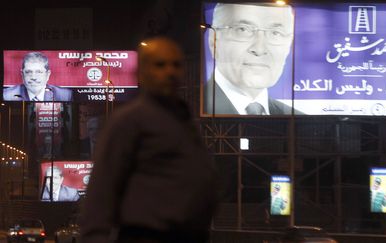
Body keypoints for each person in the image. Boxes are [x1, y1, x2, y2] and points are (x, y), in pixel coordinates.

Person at [81, 37, 218, 243]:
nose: (170, 72)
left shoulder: (185, 119)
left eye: (176, 65)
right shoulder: (130, 120)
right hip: (146, 235)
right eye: (160, 65)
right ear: (141, 73)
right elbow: (102, 189)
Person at [204, 3, 296, 115]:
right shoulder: (190, 112)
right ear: (213, 42)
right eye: (242, 30)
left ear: (288, 46)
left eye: (275, 33)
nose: (259, 49)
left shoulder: (297, 118)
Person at [3, 52, 72, 101]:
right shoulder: (7, 95)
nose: (33, 77)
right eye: (28, 72)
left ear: (48, 74)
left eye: (39, 72)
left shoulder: (65, 95)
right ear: (22, 74)